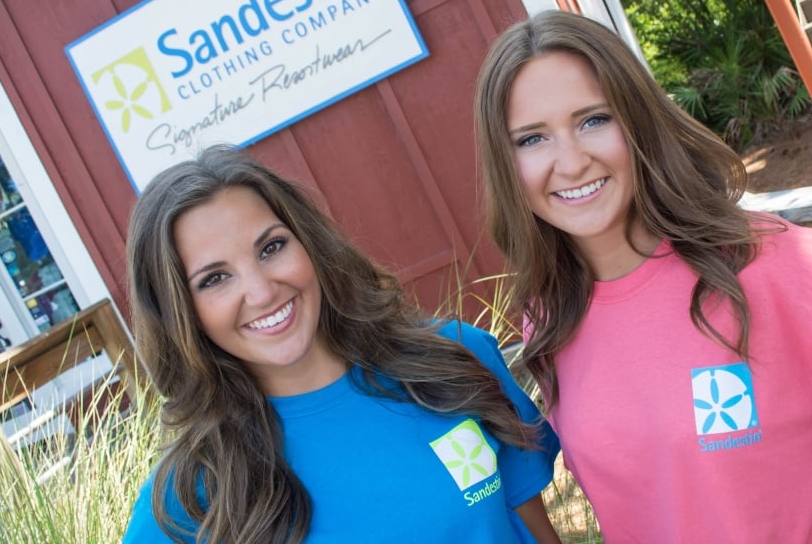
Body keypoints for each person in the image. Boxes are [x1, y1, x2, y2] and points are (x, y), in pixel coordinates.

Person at [473, 9, 812, 543]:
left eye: (594, 119)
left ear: (637, 120)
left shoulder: (779, 267)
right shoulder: (549, 315)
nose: (569, 163)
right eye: (531, 138)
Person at [121, 145, 561, 544]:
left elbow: (535, 532)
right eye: (214, 279)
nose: (261, 292)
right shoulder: (193, 490)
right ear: (180, 312)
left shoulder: (453, 360)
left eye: (271, 247)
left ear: (308, 243)